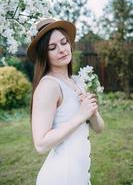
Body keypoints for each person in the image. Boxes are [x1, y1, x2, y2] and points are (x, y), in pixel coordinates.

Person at [27, 17, 104, 185]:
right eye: (52, 47)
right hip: (62, 177)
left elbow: (99, 128)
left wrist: (92, 112)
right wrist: (80, 115)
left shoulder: (76, 81)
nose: (62, 49)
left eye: (64, 42)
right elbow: (40, 144)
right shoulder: (49, 86)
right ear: (43, 54)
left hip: (81, 174)